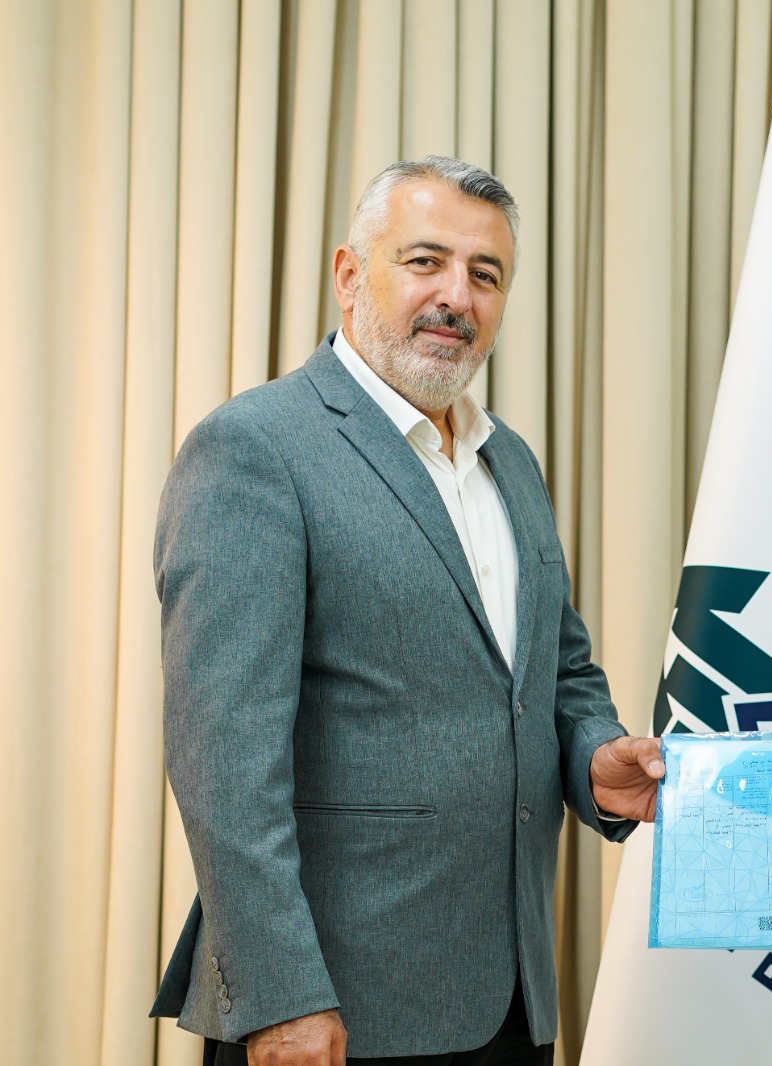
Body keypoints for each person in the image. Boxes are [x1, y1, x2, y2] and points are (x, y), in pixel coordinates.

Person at [150, 156, 663, 1065]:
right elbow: (222, 762)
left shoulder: (512, 463)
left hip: (512, 1003)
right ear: (350, 275)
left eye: (485, 274)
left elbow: (557, 673)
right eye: (426, 261)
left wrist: (595, 758)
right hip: (333, 1011)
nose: (456, 296)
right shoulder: (255, 449)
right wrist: (281, 996)